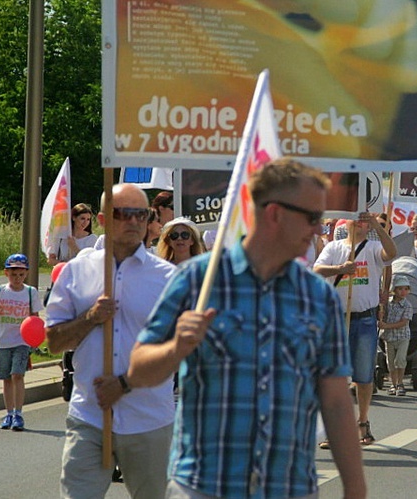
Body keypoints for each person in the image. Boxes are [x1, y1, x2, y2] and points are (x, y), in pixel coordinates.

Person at [126, 158, 366, 498]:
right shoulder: (197, 280)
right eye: (312, 217)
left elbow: (337, 400)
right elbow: (138, 370)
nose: (318, 229)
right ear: (274, 214)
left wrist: (356, 488)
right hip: (204, 486)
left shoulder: (318, 296)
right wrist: (176, 347)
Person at [45, 183, 176, 499]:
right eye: (122, 213)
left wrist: (125, 384)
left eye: (140, 214)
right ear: (103, 219)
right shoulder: (77, 271)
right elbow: (53, 342)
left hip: (149, 419)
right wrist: (90, 317)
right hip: (89, 415)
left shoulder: (168, 277)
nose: (133, 221)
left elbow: (179, 350)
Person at [314, 210, 397, 446]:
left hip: (366, 319)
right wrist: (340, 268)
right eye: (357, 218)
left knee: (363, 375)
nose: (360, 222)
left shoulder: (372, 247)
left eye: (364, 220)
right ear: (347, 222)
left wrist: (378, 227)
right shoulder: (334, 247)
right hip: (337, 319)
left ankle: (362, 421)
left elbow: (391, 253)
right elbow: (318, 270)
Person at [0, 253, 42, 431]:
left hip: (21, 342)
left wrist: (36, 338)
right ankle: (8, 413)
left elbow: (35, 318)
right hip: (2, 341)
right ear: (6, 273)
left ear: (26, 274)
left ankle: (18, 414)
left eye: (21, 274)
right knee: (6, 379)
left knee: (18, 375)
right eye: (13, 274)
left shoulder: (31, 293)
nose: (17, 278)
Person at [378, 274, 413, 396]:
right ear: (394, 290)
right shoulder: (388, 303)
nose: (403, 292)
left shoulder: (407, 305)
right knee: (391, 362)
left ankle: (400, 383)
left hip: (402, 336)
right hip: (389, 337)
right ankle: (393, 384)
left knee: (400, 359)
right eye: (400, 289)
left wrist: (386, 326)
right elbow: (383, 315)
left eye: (406, 289)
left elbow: (403, 322)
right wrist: (381, 316)